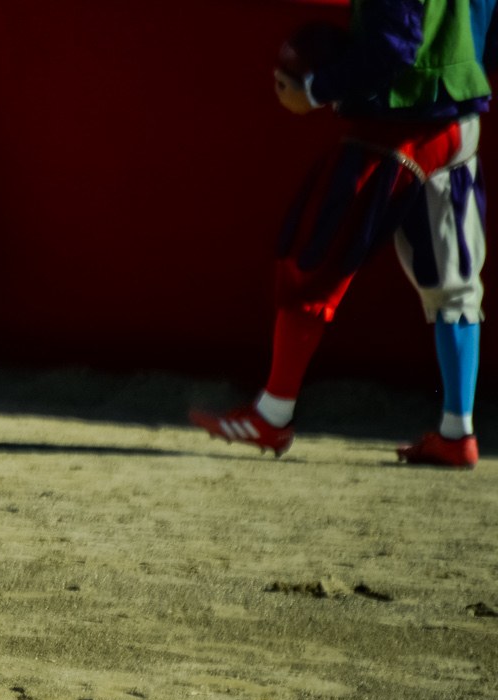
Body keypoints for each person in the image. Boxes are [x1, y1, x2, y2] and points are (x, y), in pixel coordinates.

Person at [192, 4, 493, 465]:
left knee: (313, 258)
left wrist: (315, 90)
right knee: (455, 284)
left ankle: (273, 414)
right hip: (458, 123)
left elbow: (396, 45)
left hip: (396, 125)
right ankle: (458, 430)